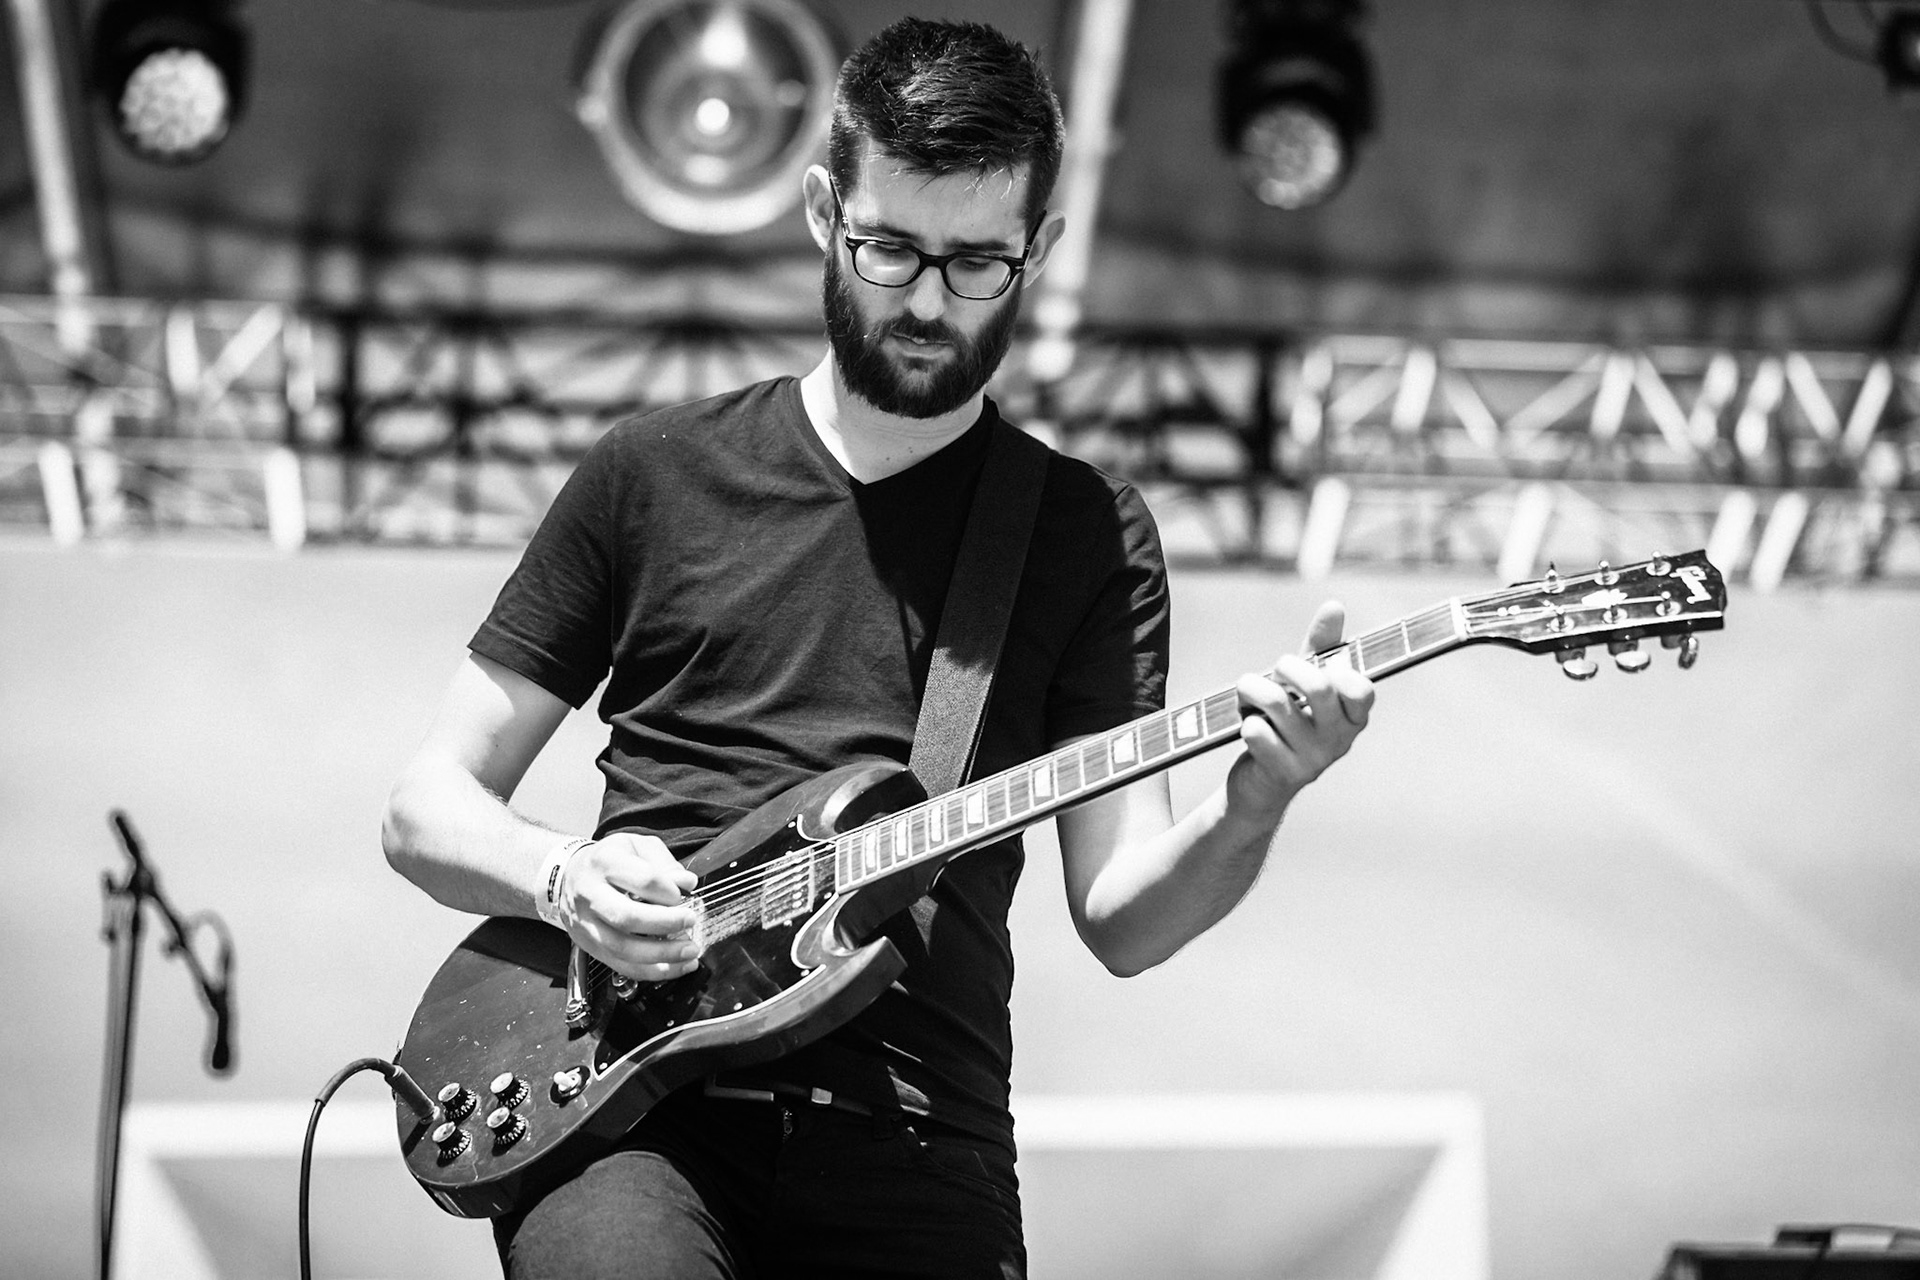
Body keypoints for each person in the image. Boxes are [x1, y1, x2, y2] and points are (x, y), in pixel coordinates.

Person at [382, 16, 1373, 1280]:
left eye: (977, 265)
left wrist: (1259, 795)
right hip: (637, 1117)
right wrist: (564, 876)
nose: (926, 299)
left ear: (1042, 248)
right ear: (821, 209)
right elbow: (425, 806)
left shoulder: (1083, 532)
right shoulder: (651, 475)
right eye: (891, 247)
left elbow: (1121, 916)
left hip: (921, 1142)